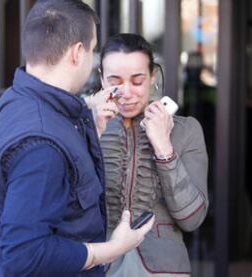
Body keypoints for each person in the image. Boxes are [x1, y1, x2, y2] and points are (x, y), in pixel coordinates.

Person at [0, 1, 154, 276]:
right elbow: (25, 255)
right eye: (92, 50)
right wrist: (115, 247)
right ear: (78, 52)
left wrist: (88, 132)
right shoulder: (41, 143)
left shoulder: (11, 103)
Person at [92, 33, 208, 276]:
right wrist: (91, 134)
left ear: (152, 77)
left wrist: (164, 148)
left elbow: (192, 219)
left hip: (163, 268)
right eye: (115, 81)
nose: (126, 92)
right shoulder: (86, 126)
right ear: (102, 79)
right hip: (98, 263)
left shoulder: (186, 130)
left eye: (137, 81)